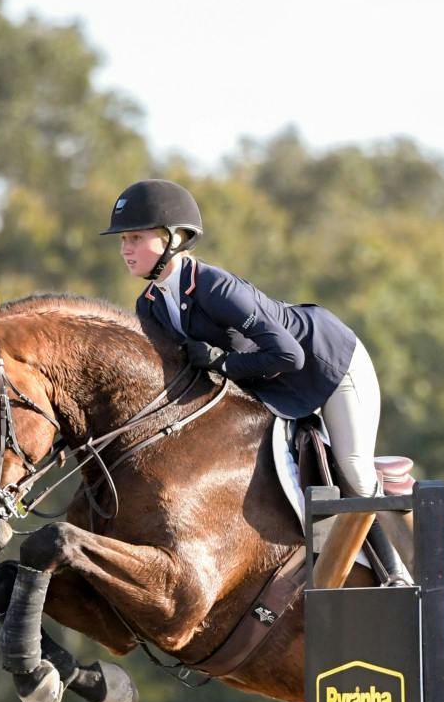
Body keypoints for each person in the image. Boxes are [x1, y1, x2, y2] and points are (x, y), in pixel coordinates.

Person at [101, 178, 410, 584]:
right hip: (269, 381)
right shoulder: (151, 305)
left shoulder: (215, 287)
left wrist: (221, 363)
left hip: (328, 361)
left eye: (136, 238)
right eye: (123, 239)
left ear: (174, 239)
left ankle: (398, 571)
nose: (125, 249)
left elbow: (288, 354)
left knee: (352, 467)